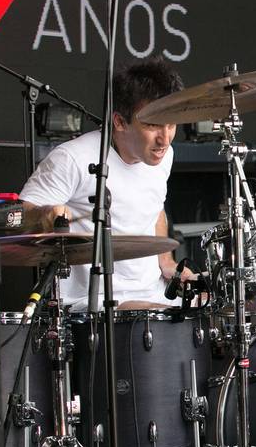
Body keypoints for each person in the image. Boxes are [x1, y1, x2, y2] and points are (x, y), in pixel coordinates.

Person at [20, 56, 193, 310]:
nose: (165, 139)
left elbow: (155, 207)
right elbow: (21, 213)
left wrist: (165, 261)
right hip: (93, 301)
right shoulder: (72, 158)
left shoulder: (164, 156)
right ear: (120, 121)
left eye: (171, 124)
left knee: (212, 305)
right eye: (153, 125)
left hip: (152, 290)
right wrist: (46, 214)